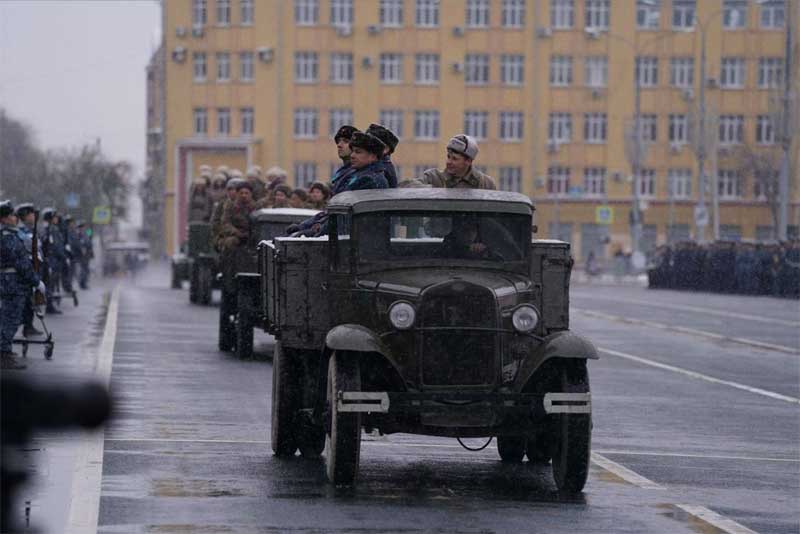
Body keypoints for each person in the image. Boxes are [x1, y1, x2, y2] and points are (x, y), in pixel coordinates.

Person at [1, 201, 44, 370]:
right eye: (11, 215)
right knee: (11, 319)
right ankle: (3, 354)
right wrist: (36, 281)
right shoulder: (8, 237)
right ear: (3, 219)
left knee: (9, 318)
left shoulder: (10, 235)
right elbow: (21, 264)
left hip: (9, 283)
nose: (14, 218)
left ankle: (4, 351)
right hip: (12, 284)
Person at [420, 134, 496, 190]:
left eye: (455, 159)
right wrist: (431, 190)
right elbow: (409, 185)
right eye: (448, 157)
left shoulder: (486, 184)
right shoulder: (434, 178)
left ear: (468, 161)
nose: (448, 162)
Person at [210, 177, 242, 251]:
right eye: (230, 189)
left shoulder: (247, 204)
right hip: (225, 236)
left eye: (235, 189)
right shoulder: (222, 204)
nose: (232, 192)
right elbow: (215, 222)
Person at [365, 123, 400, 188]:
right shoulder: (374, 164)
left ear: (385, 149)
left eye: (371, 142)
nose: (365, 145)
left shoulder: (382, 169)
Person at [77, 221, 93, 290]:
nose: (84, 228)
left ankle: (83, 283)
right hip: (84, 255)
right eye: (83, 227)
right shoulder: (80, 234)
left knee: (85, 269)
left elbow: (89, 238)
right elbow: (83, 244)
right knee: (84, 270)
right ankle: (82, 283)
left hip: (86, 255)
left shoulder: (85, 233)